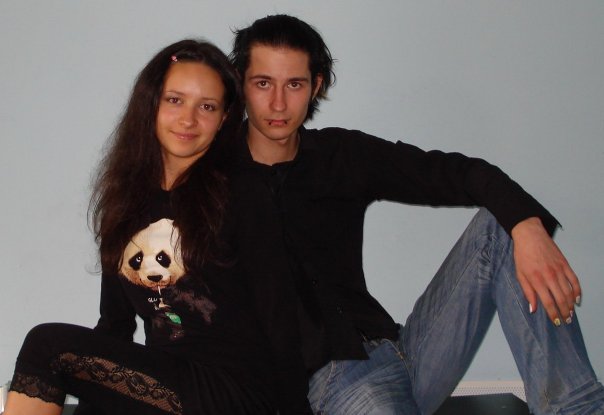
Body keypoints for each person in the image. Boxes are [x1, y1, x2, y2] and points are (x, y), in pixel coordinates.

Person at [227, 14, 604, 415]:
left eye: (294, 84)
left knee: (502, 227)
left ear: (315, 86)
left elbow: (462, 173)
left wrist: (529, 228)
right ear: (241, 84)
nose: (278, 103)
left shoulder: (341, 156)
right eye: (263, 83)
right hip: (335, 378)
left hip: (404, 352)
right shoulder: (213, 179)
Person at [4, 39, 310, 415]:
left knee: (46, 345)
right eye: (175, 100)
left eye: (207, 107)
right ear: (150, 103)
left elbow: (281, 319)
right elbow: (114, 326)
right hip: (169, 387)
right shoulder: (126, 202)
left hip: (235, 390)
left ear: (224, 118)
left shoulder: (243, 193)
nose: (188, 119)